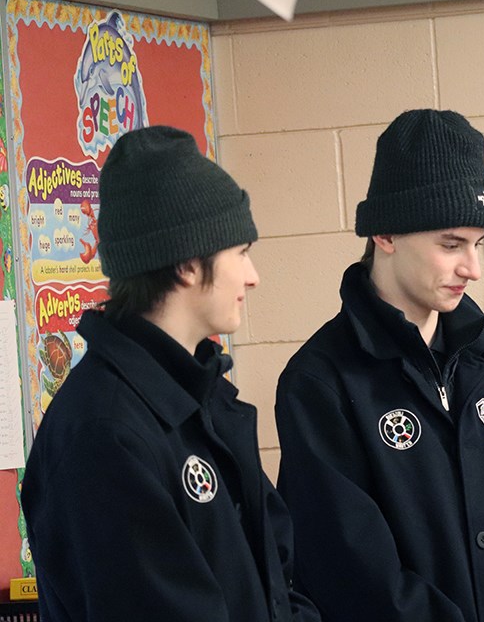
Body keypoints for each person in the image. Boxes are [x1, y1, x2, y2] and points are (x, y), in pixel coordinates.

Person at [275, 109, 484, 622]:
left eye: (477, 244)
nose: (471, 267)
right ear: (384, 234)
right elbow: (348, 564)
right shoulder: (321, 382)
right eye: (451, 245)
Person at [21, 125, 321, 622]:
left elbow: (279, 580)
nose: (253, 276)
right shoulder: (105, 434)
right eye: (240, 252)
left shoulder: (206, 400)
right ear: (187, 263)